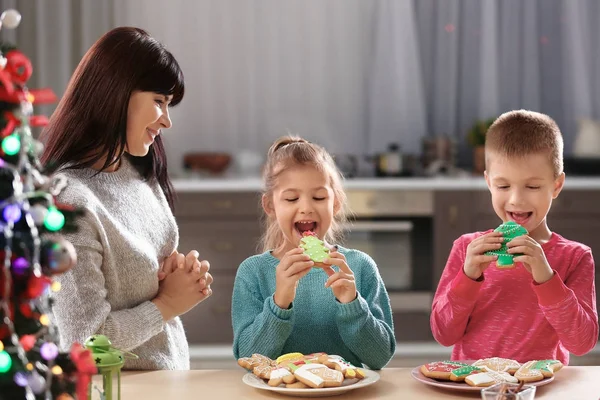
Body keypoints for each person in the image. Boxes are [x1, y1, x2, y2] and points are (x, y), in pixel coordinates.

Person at [41, 27, 213, 370]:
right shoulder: (70, 203)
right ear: (118, 93)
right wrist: (168, 303)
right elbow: (85, 342)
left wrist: (177, 274)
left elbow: (145, 276)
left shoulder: (138, 175)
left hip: (168, 383)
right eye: (159, 102)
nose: (167, 120)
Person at [431, 109, 598, 365]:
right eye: (503, 186)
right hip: (476, 386)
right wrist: (468, 277)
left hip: (541, 388)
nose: (516, 199)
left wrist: (546, 277)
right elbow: (443, 334)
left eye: (532, 186)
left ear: (556, 185)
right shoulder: (468, 249)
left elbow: (581, 342)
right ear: (488, 183)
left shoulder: (575, 257)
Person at [231, 136, 395, 370]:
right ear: (270, 206)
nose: (306, 207)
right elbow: (247, 358)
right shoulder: (253, 272)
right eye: (291, 198)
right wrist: (280, 302)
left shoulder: (359, 266)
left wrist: (351, 304)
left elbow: (380, 357)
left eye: (319, 197)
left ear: (335, 203)